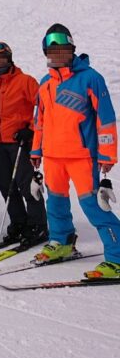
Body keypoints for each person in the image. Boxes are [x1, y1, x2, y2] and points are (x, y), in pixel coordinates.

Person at [30, 24, 119, 279]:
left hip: (82, 156)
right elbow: (40, 122)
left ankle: (117, 258)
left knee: (94, 206)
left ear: (72, 50)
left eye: (64, 49)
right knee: (55, 203)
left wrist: (107, 155)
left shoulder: (90, 78)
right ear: (46, 53)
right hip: (53, 156)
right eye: (53, 50)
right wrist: (36, 151)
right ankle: (62, 242)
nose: (58, 54)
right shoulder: (45, 84)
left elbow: (106, 119)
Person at [0, 41, 47, 247]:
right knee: (6, 186)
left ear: (8, 58)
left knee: (27, 186)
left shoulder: (26, 81)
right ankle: (19, 222)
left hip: (20, 143)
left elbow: (43, 107)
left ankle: (38, 224)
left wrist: (31, 130)